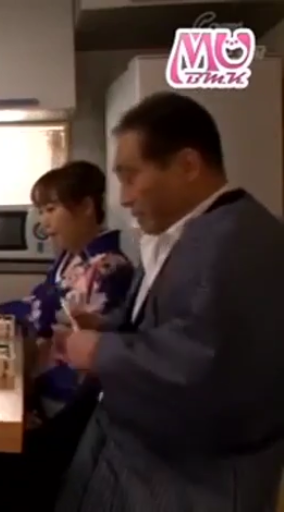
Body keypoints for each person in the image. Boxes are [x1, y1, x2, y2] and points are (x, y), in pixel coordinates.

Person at [54, 92, 284, 512]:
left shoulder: (236, 243)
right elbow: (164, 324)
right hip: (138, 456)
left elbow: (205, 368)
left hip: (190, 481)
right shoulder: (189, 231)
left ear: (188, 165)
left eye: (130, 177)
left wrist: (99, 351)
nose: (123, 198)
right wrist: (107, 327)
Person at [0, 161, 135, 510]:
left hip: (68, 401)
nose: (44, 223)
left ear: (86, 206)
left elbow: (53, 320)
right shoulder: (72, 259)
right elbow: (39, 301)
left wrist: (3, 318)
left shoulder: (107, 267)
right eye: (41, 211)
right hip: (46, 387)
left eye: (51, 209)